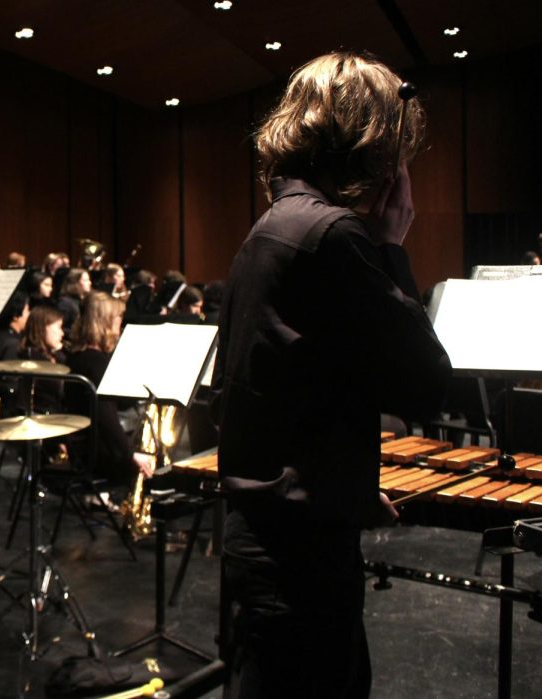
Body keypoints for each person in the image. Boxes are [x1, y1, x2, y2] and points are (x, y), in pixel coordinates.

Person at [211, 52, 451, 698]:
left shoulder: (268, 232)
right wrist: (394, 247)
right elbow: (428, 385)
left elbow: (270, 399)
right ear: (369, 145)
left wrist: (339, 481)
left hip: (258, 550)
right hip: (301, 571)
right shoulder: (336, 237)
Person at [65, 292, 153, 486]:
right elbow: (106, 417)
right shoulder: (96, 362)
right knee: (155, 460)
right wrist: (131, 454)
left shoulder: (81, 355)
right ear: (104, 321)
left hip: (85, 446)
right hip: (98, 453)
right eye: (118, 316)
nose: (121, 321)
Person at [56, 268, 92, 333]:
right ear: (76, 282)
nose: (90, 282)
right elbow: (60, 327)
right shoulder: (65, 303)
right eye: (86, 280)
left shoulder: (84, 299)